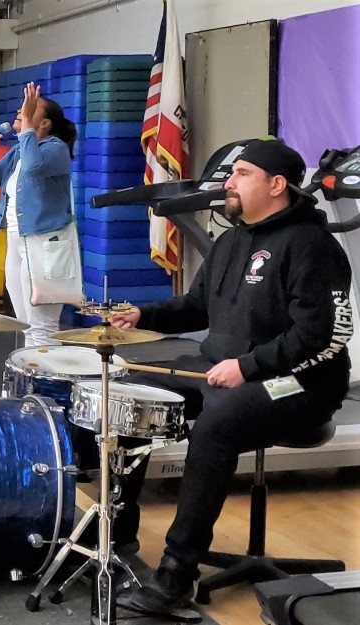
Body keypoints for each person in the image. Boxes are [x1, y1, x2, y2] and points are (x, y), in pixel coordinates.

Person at [107, 139, 352, 615]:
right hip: (222, 366)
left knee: (218, 424)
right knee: (130, 397)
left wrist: (248, 367)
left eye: (241, 173)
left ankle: (177, 573)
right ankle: (118, 539)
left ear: (276, 185)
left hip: (299, 382)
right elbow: (198, 307)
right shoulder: (231, 240)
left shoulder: (311, 246)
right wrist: (142, 314)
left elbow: (321, 334)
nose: (229, 182)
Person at [0, 82, 82, 346]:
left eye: (29, 109)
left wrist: (25, 126)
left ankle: (49, 383)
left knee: (42, 326)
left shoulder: (54, 148)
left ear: (45, 123)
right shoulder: (19, 151)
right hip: (16, 239)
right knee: (24, 324)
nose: (20, 111)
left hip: (44, 243)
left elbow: (35, 167)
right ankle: (32, 381)